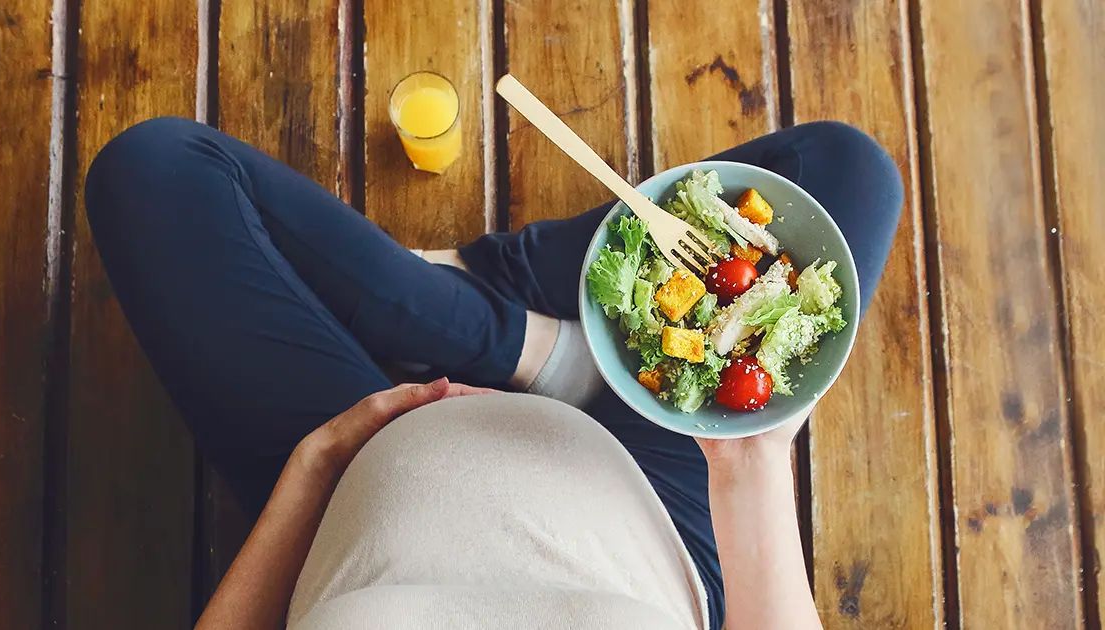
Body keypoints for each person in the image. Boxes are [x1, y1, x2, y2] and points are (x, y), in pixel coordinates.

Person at [85, 116, 902, 630]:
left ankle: (492, 314)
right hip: (658, 501)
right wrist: (750, 464)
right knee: (846, 171)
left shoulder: (324, 466)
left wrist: (314, 469)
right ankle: (525, 332)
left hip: (347, 469)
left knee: (155, 168)